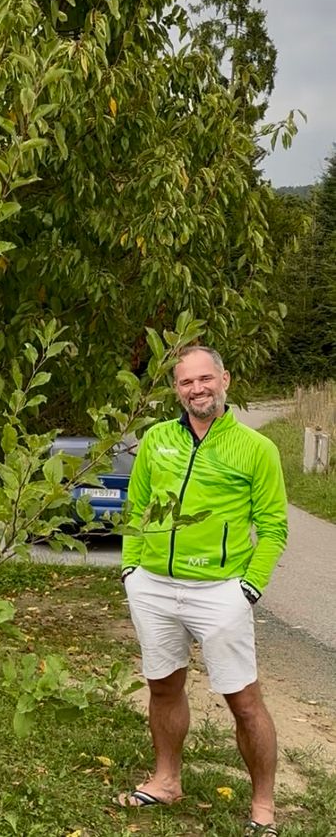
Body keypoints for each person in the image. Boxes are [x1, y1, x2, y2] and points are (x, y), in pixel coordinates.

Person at [118, 346, 287, 837]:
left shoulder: (257, 449)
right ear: (177, 389)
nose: (198, 389)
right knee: (163, 686)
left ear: (225, 380)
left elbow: (274, 528)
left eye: (205, 379)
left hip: (220, 591)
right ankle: (166, 780)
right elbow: (139, 507)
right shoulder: (156, 439)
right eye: (187, 382)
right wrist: (132, 569)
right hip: (153, 586)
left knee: (244, 699)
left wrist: (249, 588)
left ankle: (263, 808)